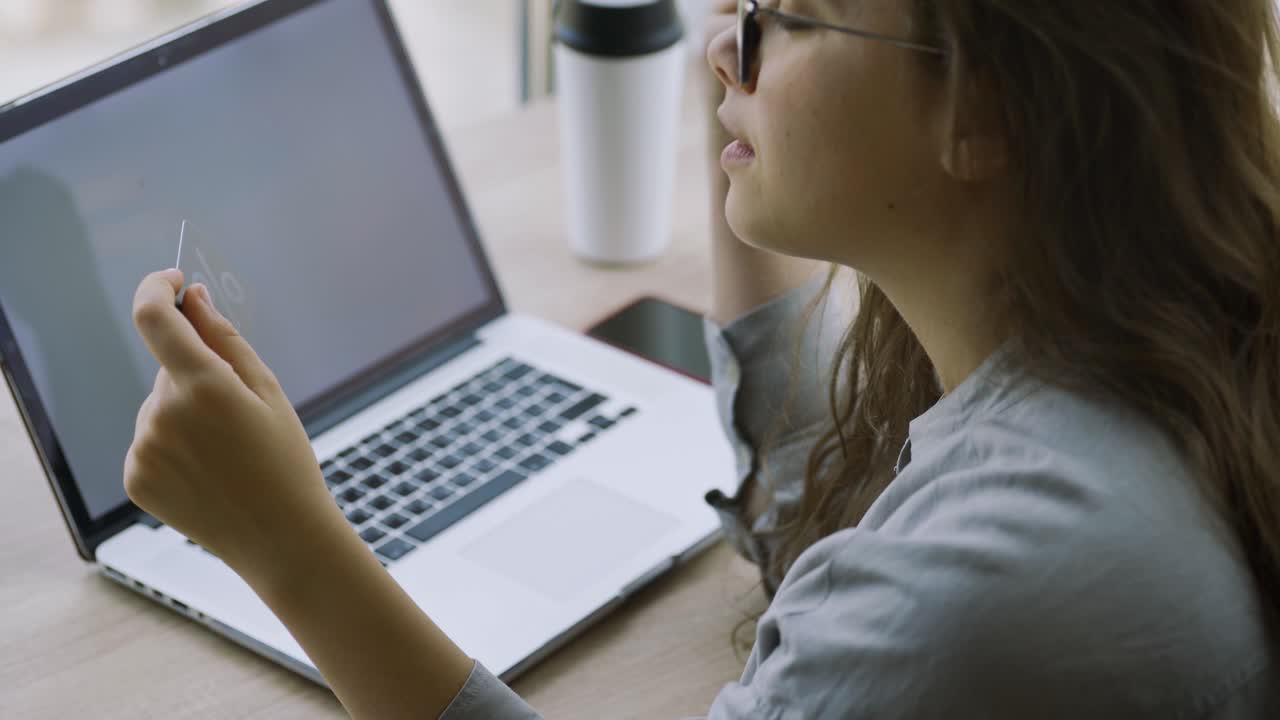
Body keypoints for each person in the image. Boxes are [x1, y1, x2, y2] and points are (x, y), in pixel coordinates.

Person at [123, 0, 1280, 717]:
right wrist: (743, 142)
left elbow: (899, 600)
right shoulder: (1148, 337)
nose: (728, 41)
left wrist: (290, 547)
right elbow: (829, 509)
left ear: (983, 110)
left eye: (795, 12)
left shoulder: (984, 595)